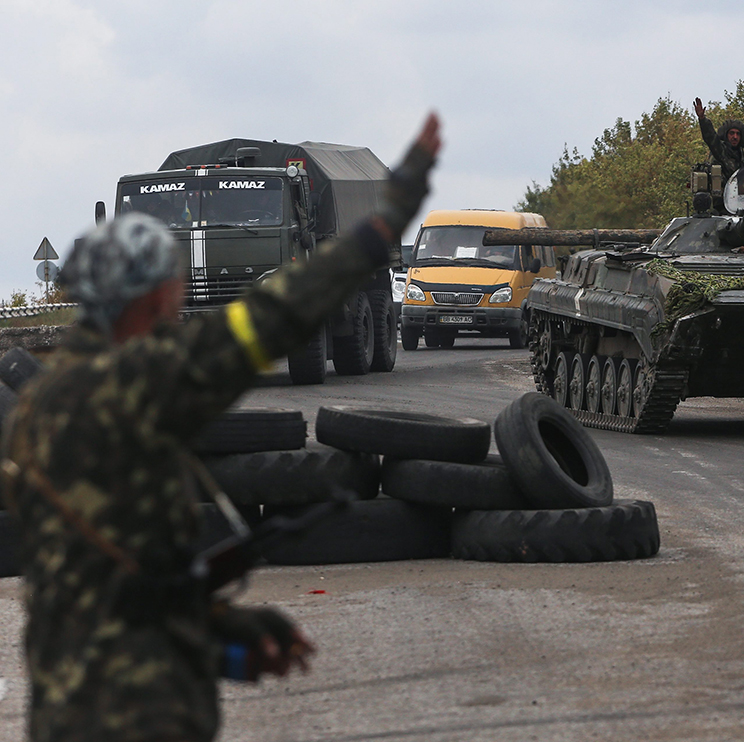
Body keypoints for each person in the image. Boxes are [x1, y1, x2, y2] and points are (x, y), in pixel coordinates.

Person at [1, 114, 442, 742]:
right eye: (171, 284)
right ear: (148, 298)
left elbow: (107, 581)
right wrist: (386, 221)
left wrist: (222, 635)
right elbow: (277, 313)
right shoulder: (144, 384)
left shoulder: (36, 410)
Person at [693, 97, 744, 181]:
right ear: (726, 135)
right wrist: (702, 119)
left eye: (738, 134)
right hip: (720, 191)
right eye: (732, 133)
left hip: (736, 192)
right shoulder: (721, 150)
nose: (735, 137)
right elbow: (710, 137)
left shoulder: (740, 155)